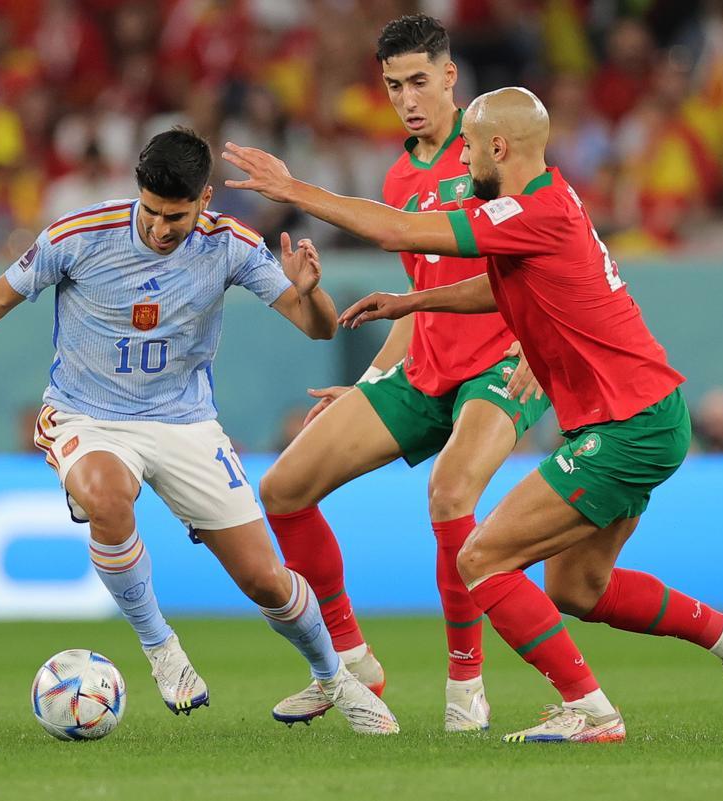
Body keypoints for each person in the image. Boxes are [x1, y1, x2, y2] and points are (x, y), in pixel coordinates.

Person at [223, 88, 723, 744]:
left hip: (625, 425)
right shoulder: (548, 201)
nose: (460, 154)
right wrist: (413, 304)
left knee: (483, 558)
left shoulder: (526, 210)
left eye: (468, 146)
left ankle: (592, 711)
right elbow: (501, 283)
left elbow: (395, 229)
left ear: (497, 148)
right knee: (579, 586)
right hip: (644, 415)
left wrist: (293, 190)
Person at [0, 126, 398, 735]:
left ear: (206, 199)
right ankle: (161, 647)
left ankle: (334, 678)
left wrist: (312, 294)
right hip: (88, 416)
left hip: (186, 423)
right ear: (137, 192)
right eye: (152, 211)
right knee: (108, 494)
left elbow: (318, 329)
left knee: (264, 580)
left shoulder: (232, 247)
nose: (162, 228)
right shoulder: (78, 237)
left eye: (177, 216)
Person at [261, 15, 550, 733]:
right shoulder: (401, 174)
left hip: (500, 364)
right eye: (393, 87)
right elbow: (416, 303)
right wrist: (365, 387)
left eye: (420, 81)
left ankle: (465, 684)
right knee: (283, 489)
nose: (407, 99)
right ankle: (352, 664)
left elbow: (558, 249)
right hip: (426, 368)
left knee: (450, 494)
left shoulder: (494, 148)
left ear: (451, 76)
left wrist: (545, 348)